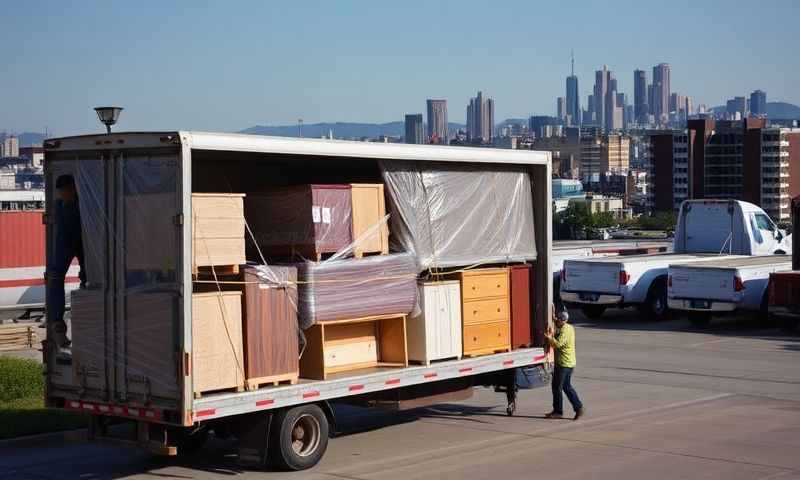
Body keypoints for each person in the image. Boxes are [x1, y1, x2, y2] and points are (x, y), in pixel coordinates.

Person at [48, 174, 86, 347]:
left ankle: (60, 324)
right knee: (57, 277)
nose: (63, 194)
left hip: (74, 242)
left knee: (82, 278)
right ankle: (58, 323)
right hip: (73, 242)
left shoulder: (69, 206)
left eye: (64, 191)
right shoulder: (75, 205)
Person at [544, 308, 585, 420]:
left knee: (557, 387)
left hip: (564, 364)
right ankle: (578, 407)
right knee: (566, 386)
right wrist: (553, 318)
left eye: (558, 320)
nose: (556, 321)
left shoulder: (565, 331)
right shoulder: (568, 327)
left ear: (563, 321)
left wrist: (549, 338)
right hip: (569, 363)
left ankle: (558, 411)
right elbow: (558, 328)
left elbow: (557, 344)